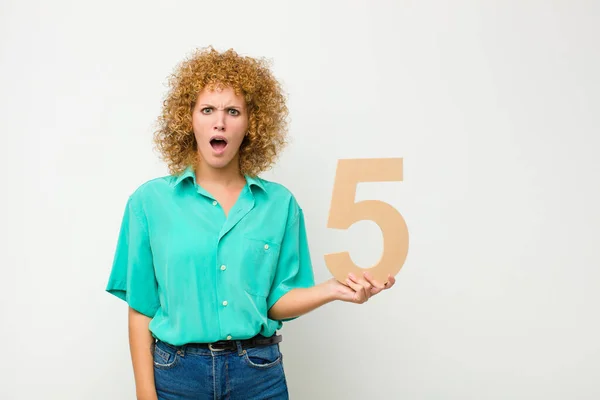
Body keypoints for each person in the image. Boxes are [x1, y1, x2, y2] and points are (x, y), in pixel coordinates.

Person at [105, 46, 395, 400]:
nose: (220, 122)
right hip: (176, 377)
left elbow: (275, 301)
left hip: (258, 375)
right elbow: (140, 311)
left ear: (251, 123)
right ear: (188, 119)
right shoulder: (149, 203)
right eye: (207, 109)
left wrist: (333, 289)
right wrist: (145, 395)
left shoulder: (280, 204)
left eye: (233, 111)